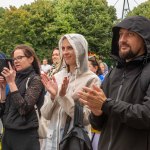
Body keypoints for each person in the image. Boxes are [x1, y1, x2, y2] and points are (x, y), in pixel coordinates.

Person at [78, 16, 150, 150]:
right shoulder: (113, 74)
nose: (122, 39)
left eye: (130, 34)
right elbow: (98, 125)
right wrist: (97, 112)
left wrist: (106, 104)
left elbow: (146, 115)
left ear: (144, 39)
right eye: (121, 34)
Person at [40, 33, 101, 150]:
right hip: (52, 142)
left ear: (81, 49)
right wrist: (53, 97)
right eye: (63, 48)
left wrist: (62, 96)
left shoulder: (91, 79)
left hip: (74, 142)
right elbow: (46, 115)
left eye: (70, 48)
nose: (65, 52)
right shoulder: (57, 76)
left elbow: (87, 118)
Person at [0, 44, 45, 150]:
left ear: (31, 59)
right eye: (14, 59)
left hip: (25, 136)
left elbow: (23, 109)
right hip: (8, 134)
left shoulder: (35, 80)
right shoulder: (15, 79)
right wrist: (2, 88)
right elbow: (3, 111)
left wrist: (11, 83)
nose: (15, 61)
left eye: (20, 57)